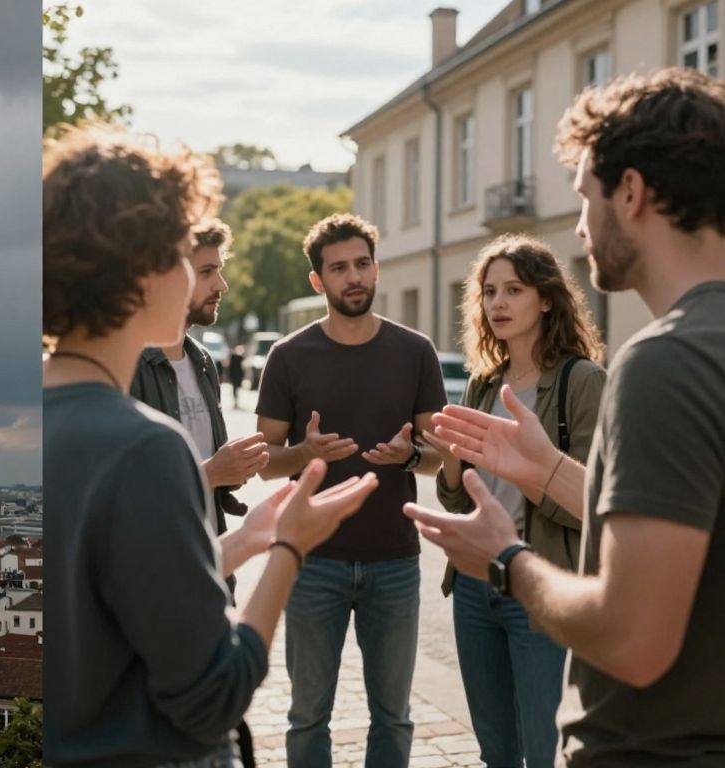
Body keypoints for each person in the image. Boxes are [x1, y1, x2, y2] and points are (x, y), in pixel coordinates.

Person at [405, 68, 725, 766]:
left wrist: (508, 562)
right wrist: (547, 468)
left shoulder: (664, 362)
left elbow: (634, 639)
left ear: (632, 193)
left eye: (585, 196)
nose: (580, 225)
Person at [43, 123, 379, 768]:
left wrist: (248, 538)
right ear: (140, 273)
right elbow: (212, 695)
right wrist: (287, 548)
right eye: (180, 253)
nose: (199, 278)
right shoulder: (141, 446)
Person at [254, 213, 447, 768]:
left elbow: (439, 459)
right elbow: (265, 462)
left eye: (362, 264)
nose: (354, 277)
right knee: (307, 716)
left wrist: (410, 454)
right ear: (319, 282)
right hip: (312, 562)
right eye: (339, 268)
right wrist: (302, 454)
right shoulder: (288, 356)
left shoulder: (415, 351)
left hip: (394, 560)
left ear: (376, 268)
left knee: (394, 716)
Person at [421, 234, 605, 768]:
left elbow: (591, 503)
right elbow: (459, 499)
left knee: (544, 752)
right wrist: (450, 456)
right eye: (488, 291)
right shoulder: (481, 384)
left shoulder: (582, 381)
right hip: (476, 588)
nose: (497, 303)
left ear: (546, 299)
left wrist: (524, 469)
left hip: (540, 584)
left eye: (514, 290)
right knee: (496, 752)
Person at [131, 218, 267, 539]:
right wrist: (211, 472)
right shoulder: (127, 366)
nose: (221, 285)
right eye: (206, 272)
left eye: (219, 270)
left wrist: (236, 468)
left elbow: (211, 471)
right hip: (151, 568)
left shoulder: (204, 362)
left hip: (210, 558)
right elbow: (120, 490)